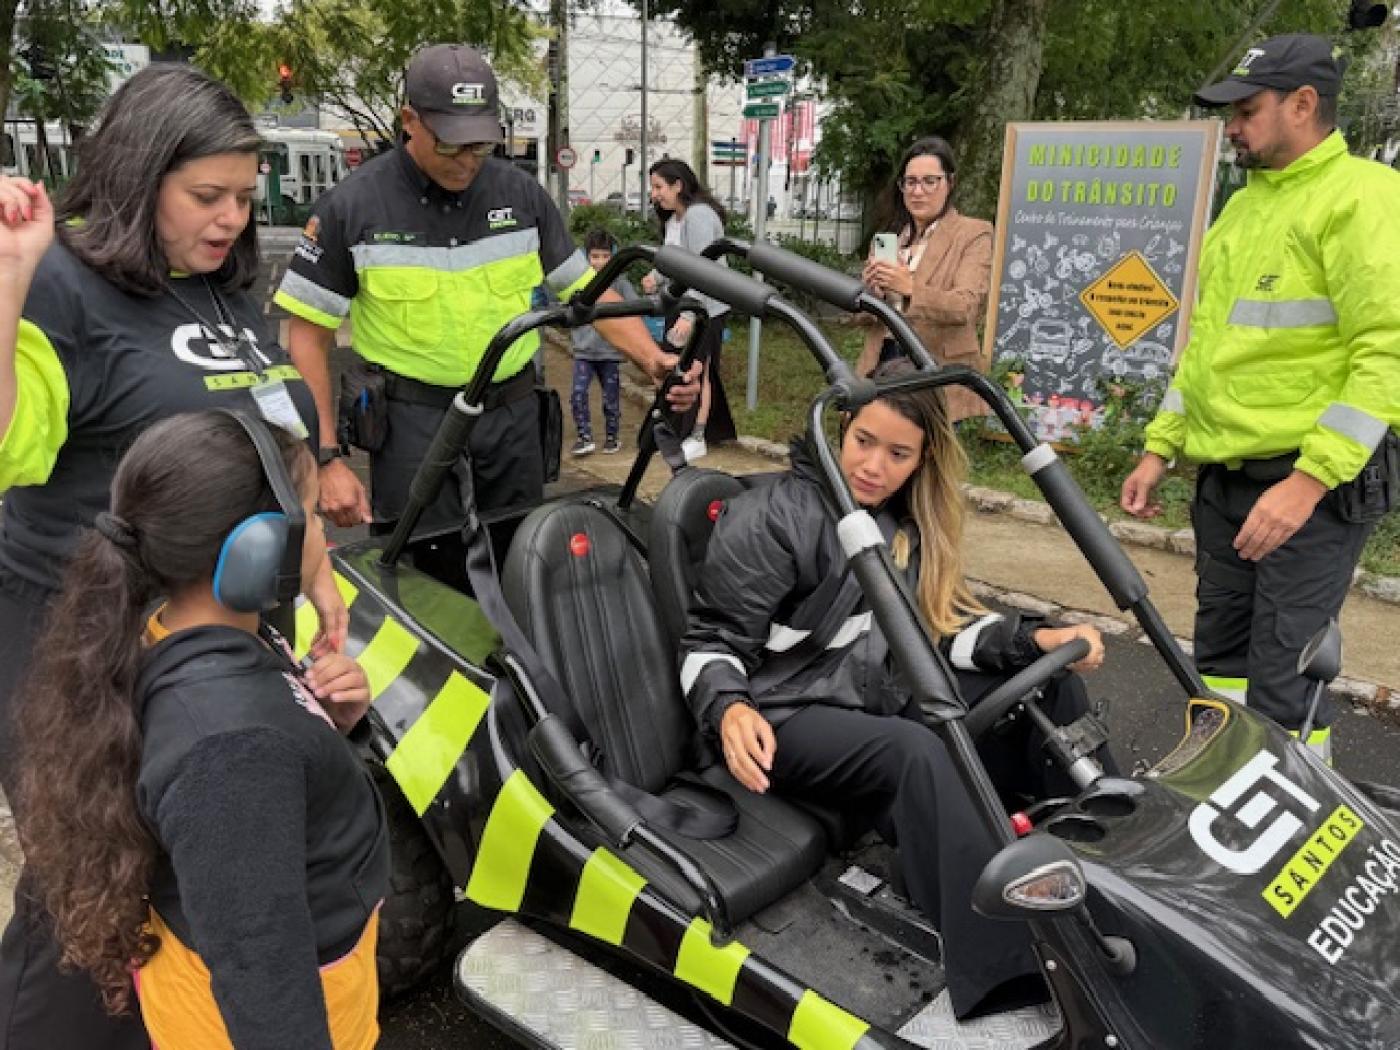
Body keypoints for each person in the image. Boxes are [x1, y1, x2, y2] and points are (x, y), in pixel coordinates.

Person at [0, 64, 343, 1048]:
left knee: (180, 897)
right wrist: (6, 277)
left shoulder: (219, 289)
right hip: (80, 654)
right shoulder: (65, 285)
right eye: (208, 196)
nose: (234, 217)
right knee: (89, 904)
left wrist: (316, 570)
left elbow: (272, 441)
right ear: (139, 175)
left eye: (243, 196)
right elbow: (7, 446)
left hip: (213, 644)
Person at [679, 362, 1108, 1019]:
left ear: (922, 458)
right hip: (779, 716)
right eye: (863, 442)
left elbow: (930, 636)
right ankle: (1011, 975)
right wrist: (727, 705)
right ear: (840, 431)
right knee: (915, 751)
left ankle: (1102, 868)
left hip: (870, 693)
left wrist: (1031, 643)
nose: (874, 465)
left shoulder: (899, 524)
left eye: (897, 453)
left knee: (1042, 691)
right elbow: (707, 642)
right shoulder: (771, 516)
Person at [15, 410, 387, 1050]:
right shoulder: (231, 749)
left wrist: (335, 725)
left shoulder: (179, 629)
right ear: (259, 549)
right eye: (311, 517)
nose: (322, 531)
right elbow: (260, 965)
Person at [275, 43, 696, 535]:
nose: (468, 161)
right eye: (451, 144)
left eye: (481, 144)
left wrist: (651, 357)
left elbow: (590, 292)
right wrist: (324, 458)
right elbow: (307, 336)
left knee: (520, 561)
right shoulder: (352, 207)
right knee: (423, 580)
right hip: (414, 425)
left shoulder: (521, 196)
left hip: (512, 420)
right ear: (409, 120)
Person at [1120, 34, 1400, 762]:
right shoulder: (1244, 209)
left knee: (1286, 678)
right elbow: (1209, 349)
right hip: (1227, 485)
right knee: (1220, 662)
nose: (1233, 128)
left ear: (1303, 104)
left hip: (1306, 490)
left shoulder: (1364, 198)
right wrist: (1160, 448)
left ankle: (1302, 828)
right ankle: (1225, 793)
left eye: (1246, 110)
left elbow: (1388, 354)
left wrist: (1306, 485)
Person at [857, 136, 994, 423]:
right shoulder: (890, 240)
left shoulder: (973, 233)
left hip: (934, 366)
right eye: (910, 182)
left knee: (927, 459)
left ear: (950, 183)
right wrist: (872, 295)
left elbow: (964, 307)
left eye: (930, 181)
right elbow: (862, 318)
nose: (918, 191)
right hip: (883, 359)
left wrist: (908, 288)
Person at [642, 158, 736, 462]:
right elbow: (679, 262)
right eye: (653, 187)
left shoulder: (697, 216)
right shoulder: (679, 219)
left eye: (659, 187)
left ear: (678, 185)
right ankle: (679, 432)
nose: (654, 194)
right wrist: (655, 279)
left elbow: (701, 271)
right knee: (679, 369)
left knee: (699, 371)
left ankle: (697, 436)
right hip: (691, 306)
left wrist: (687, 317)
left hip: (705, 308)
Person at [569, 230, 631, 456]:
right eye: (595, 256)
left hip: (610, 354)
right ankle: (584, 436)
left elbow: (634, 308)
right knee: (577, 394)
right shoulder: (578, 283)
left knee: (611, 398)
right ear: (587, 257)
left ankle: (612, 436)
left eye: (605, 256)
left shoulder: (621, 284)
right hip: (583, 352)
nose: (600, 262)